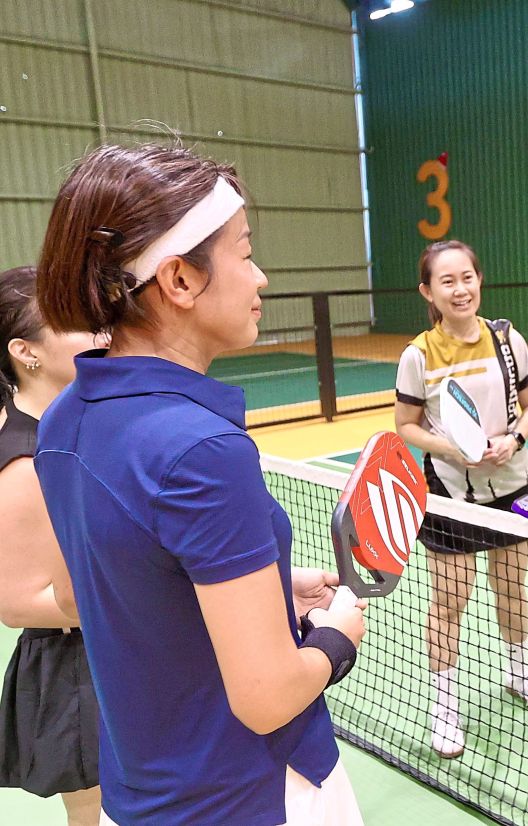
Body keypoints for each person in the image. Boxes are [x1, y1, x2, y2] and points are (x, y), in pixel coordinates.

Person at [33, 143, 368, 826]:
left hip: (141, 795)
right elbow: (268, 695)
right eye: (244, 254)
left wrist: (266, 587)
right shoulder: (203, 451)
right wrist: (338, 637)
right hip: (256, 794)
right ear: (180, 280)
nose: (262, 278)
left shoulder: (64, 419)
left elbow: (90, 590)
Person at [394, 240, 528, 759]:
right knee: (449, 603)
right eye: (447, 281)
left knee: (512, 591)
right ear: (429, 291)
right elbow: (405, 426)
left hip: (511, 485)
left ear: (479, 280)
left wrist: (515, 439)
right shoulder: (418, 355)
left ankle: (519, 672)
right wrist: (454, 450)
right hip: (449, 493)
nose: (460, 289)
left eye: (468, 277)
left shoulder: (507, 340)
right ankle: (444, 707)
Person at [0, 266, 103, 825]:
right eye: (78, 323)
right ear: (26, 351)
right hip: (76, 672)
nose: (101, 333)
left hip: (115, 648)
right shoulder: (22, 460)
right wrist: (135, 602)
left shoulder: (75, 426)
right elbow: (16, 604)